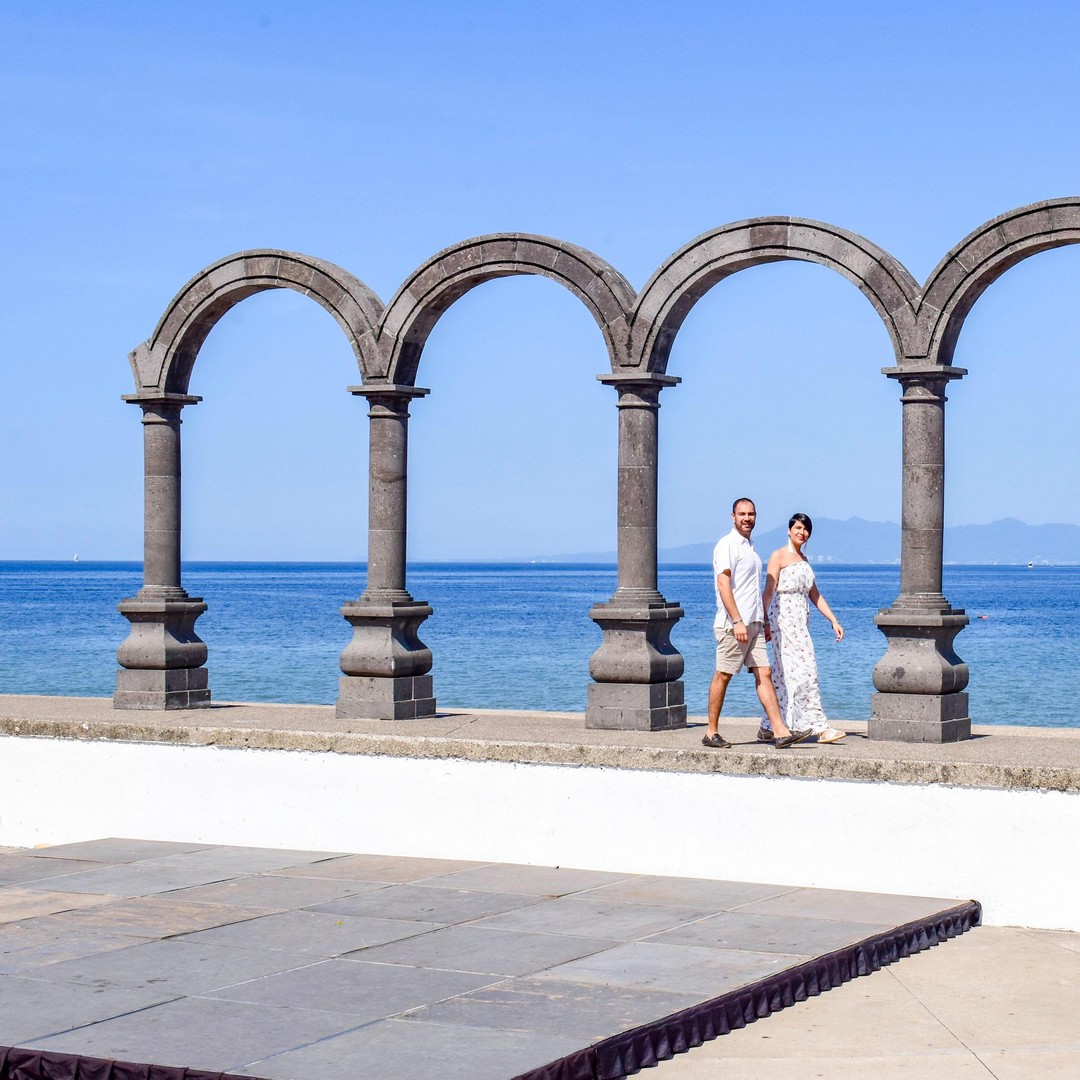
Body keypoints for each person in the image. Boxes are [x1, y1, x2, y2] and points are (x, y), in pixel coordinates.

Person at [702, 498, 809, 750]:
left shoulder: (751, 548)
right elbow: (723, 584)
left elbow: (752, 590)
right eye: (742, 514)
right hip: (734, 624)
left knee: (764, 673)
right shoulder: (727, 545)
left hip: (755, 623)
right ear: (733, 517)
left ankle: (780, 732)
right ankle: (710, 732)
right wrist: (737, 621)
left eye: (751, 514)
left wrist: (764, 620)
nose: (747, 518)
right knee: (723, 674)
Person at [759, 513, 847, 744]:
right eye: (798, 527)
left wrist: (833, 620)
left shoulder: (804, 559)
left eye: (806, 529)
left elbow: (814, 594)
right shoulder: (778, 556)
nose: (802, 532)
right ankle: (819, 727)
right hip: (783, 621)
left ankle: (768, 725)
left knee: (783, 673)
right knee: (805, 671)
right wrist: (764, 621)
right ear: (789, 530)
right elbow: (768, 591)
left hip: (801, 622)